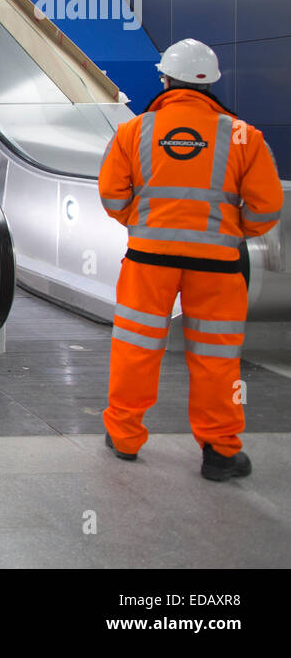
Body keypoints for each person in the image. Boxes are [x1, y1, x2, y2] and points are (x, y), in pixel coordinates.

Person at [98, 38, 282, 481]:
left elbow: (111, 194)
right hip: (218, 266)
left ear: (165, 79)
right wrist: (231, 231)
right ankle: (220, 451)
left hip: (148, 261)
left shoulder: (134, 131)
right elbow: (267, 208)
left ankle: (124, 436)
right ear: (212, 83)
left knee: (136, 347)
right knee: (217, 358)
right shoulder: (242, 135)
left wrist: (142, 223)